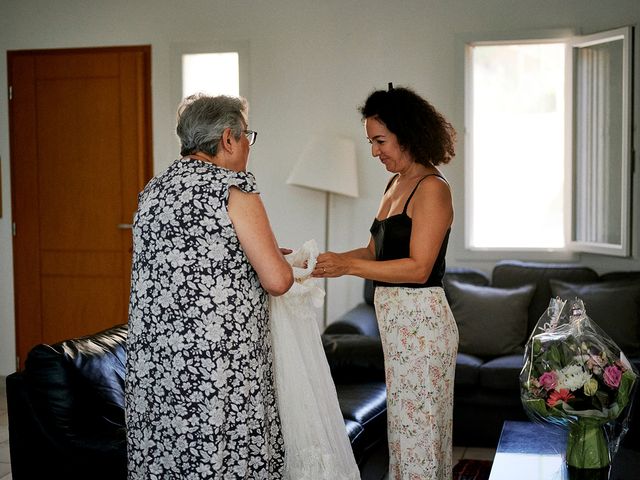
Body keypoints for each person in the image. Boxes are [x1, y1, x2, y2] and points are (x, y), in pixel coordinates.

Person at [125, 93, 293, 479]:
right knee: (221, 453)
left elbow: (192, 259)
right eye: (248, 136)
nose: (249, 146)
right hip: (218, 363)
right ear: (229, 138)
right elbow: (278, 280)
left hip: (158, 362)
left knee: (166, 452)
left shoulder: (153, 190)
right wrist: (276, 260)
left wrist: (252, 253)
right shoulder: (233, 189)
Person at [312, 84, 459, 480]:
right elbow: (375, 251)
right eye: (371, 142)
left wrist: (350, 268)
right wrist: (332, 260)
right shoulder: (395, 185)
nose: (375, 152)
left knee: (422, 436)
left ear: (407, 133)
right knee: (406, 434)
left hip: (424, 330)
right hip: (398, 331)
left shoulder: (432, 189)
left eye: (380, 141)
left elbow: (418, 268)